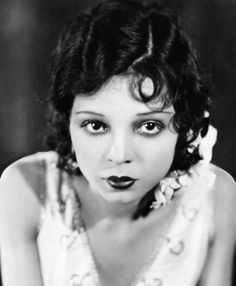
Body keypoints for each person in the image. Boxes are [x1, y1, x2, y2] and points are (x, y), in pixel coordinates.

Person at [0, 0, 236, 285]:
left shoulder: (216, 196)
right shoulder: (27, 189)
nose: (120, 155)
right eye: (96, 125)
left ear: (184, 126)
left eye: (149, 126)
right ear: (68, 123)